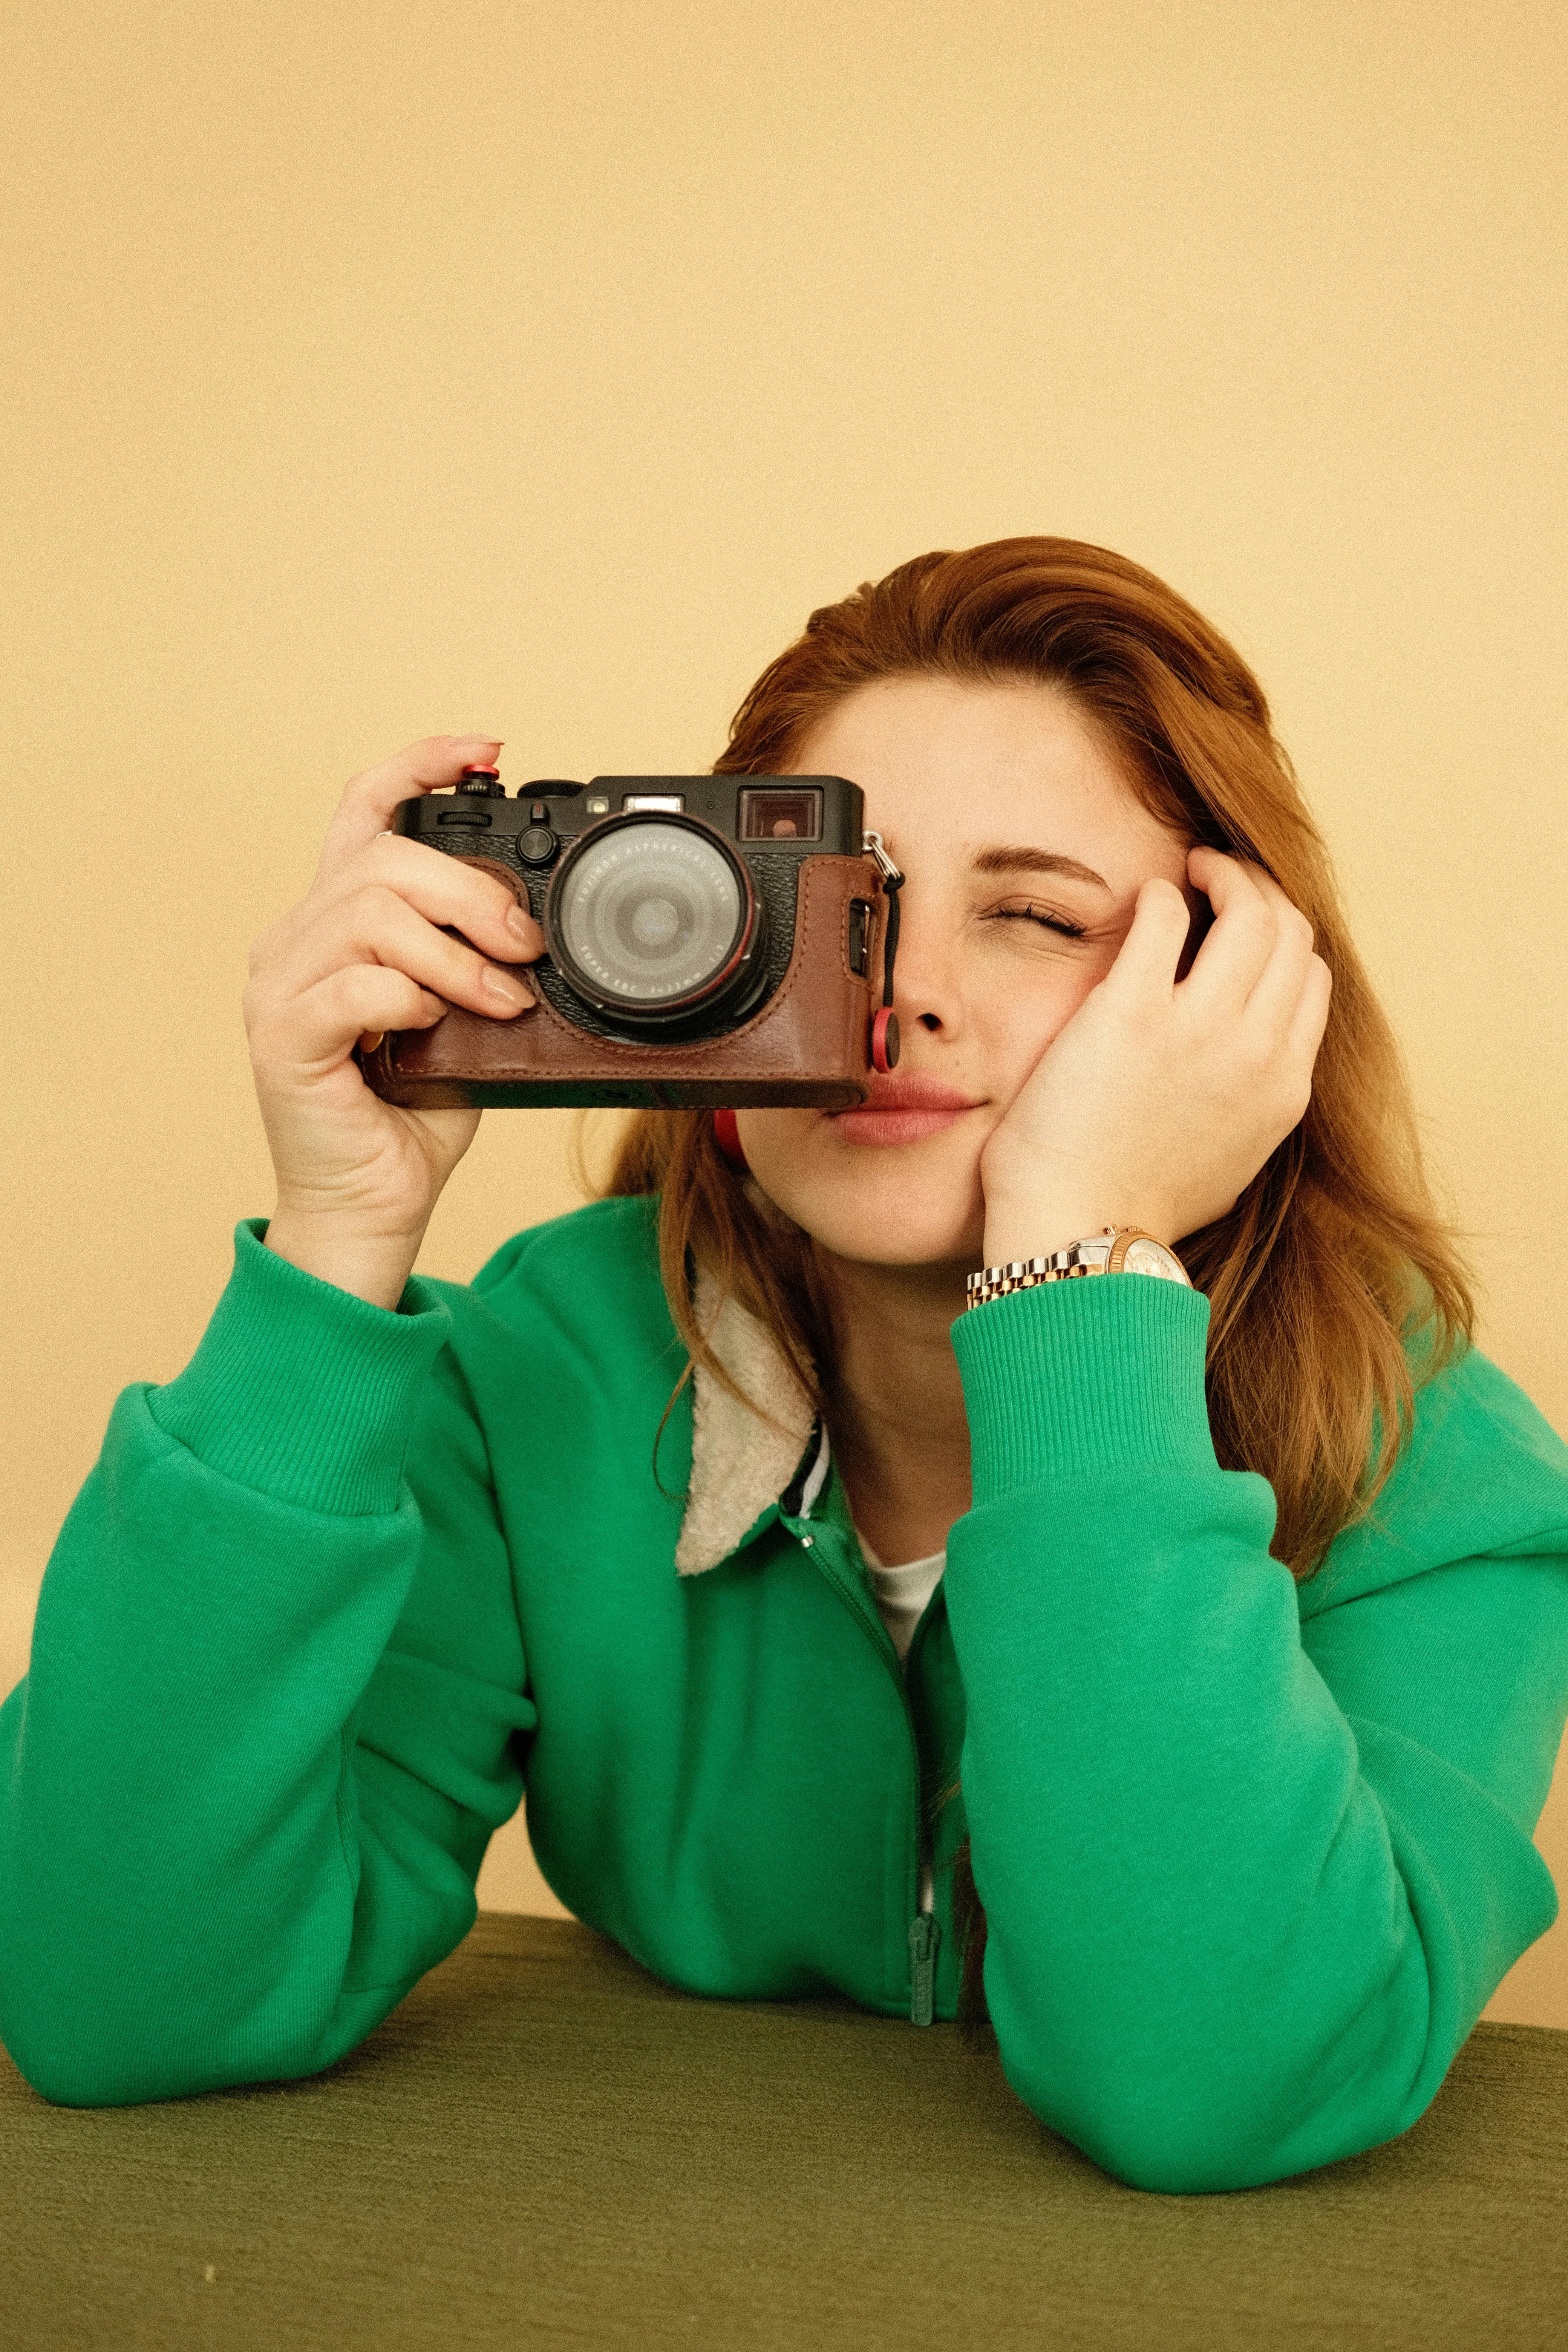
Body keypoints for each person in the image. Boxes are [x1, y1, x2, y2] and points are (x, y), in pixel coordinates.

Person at [2, 538, 1565, 2198]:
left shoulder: (1438, 1475)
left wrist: (1075, 1271)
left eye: (1034, 917)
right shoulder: (543, 1372)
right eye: (834, 907)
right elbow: (115, 1994)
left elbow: (1222, 2082)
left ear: (1233, 996)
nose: (903, 999)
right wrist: (334, 1240)